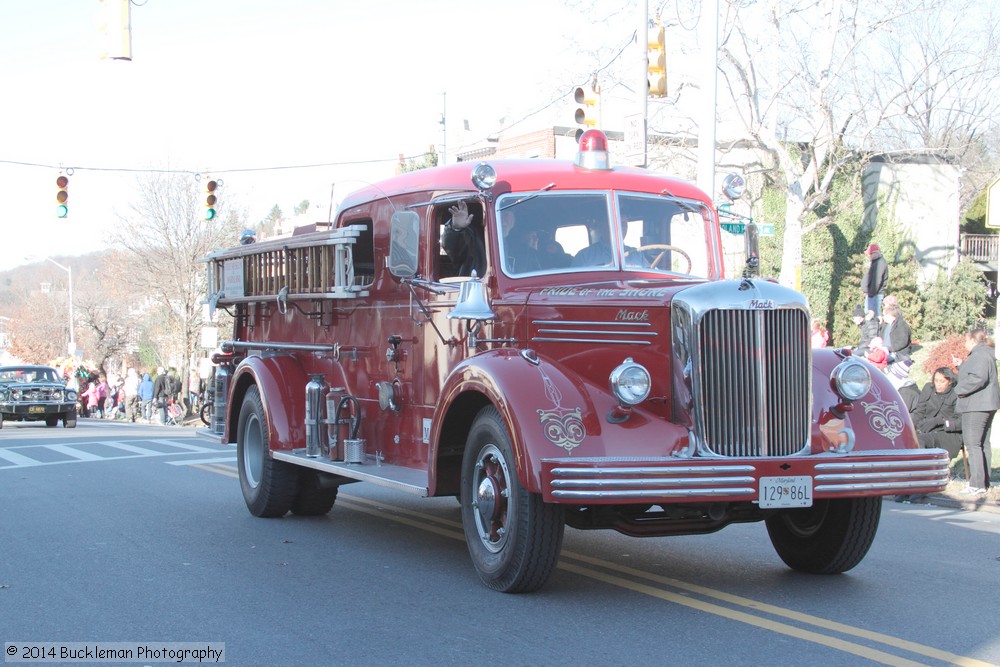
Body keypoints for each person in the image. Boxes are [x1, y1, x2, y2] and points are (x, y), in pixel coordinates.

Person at [952, 327, 1000, 495]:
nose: (965, 343)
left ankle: (976, 483)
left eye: (966, 340)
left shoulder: (980, 354)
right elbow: (977, 374)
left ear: (973, 340)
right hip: (986, 404)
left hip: (976, 405)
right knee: (983, 443)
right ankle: (984, 482)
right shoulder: (985, 353)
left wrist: (958, 389)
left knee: (973, 444)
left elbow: (978, 378)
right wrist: (962, 366)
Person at [910, 367, 963, 458]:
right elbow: (919, 411)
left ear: (950, 382)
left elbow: (960, 421)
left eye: (942, 381)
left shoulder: (956, 394)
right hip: (926, 428)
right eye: (936, 381)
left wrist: (940, 421)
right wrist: (912, 427)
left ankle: (925, 467)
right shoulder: (928, 389)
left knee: (920, 440)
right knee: (910, 440)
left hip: (947, 433)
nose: (938, 384)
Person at [860, 243, 888, 319]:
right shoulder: (876, 262)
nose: (869, 256)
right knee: (869, 317)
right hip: (872, 295)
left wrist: (870, 294)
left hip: (875, 296)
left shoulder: (880, 263)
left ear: (876, 253)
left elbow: (877, 281)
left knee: (872, 318)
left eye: (870, 254)